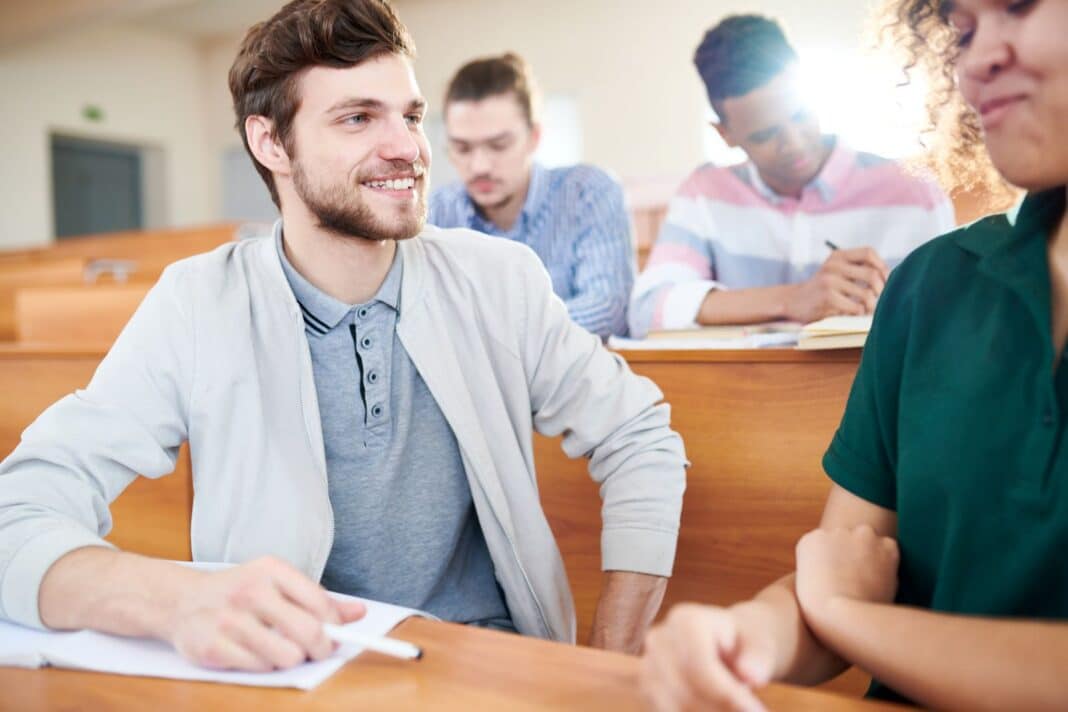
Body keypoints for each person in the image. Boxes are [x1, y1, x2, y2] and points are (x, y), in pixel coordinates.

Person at [0, 0, 687, 672]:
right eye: (358, 117)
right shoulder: (197, 303)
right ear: (270, 143)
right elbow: (17, 514)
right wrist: (176, 598)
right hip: (287, 672)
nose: (408, 148)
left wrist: (612, 667)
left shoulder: (497, 280)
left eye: (410, 115)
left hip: (485, 664)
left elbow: (640, 438)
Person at [639, 0, 1068, 709]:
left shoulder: (904, 194)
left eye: (1019, 7)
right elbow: (846, 561)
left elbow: (840, 598)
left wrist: (848, 615)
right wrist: (743, 635)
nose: (976, 63)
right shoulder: (933, 282)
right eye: (961, 31)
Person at [628, 15, 955, 338]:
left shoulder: (915, 193)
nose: (794, 143)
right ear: (725, 134)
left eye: (799, 115)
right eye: (765, 135)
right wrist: (792, 299)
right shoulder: (704, 193)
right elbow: (647, 310)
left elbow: (951, 320)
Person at [429, 53, 634, 339]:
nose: (479, 166)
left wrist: (488, 338)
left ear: (534, 137)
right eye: (462, 148)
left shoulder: (589, 192)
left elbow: (607, 311)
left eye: (499, 145)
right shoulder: (435, 214)